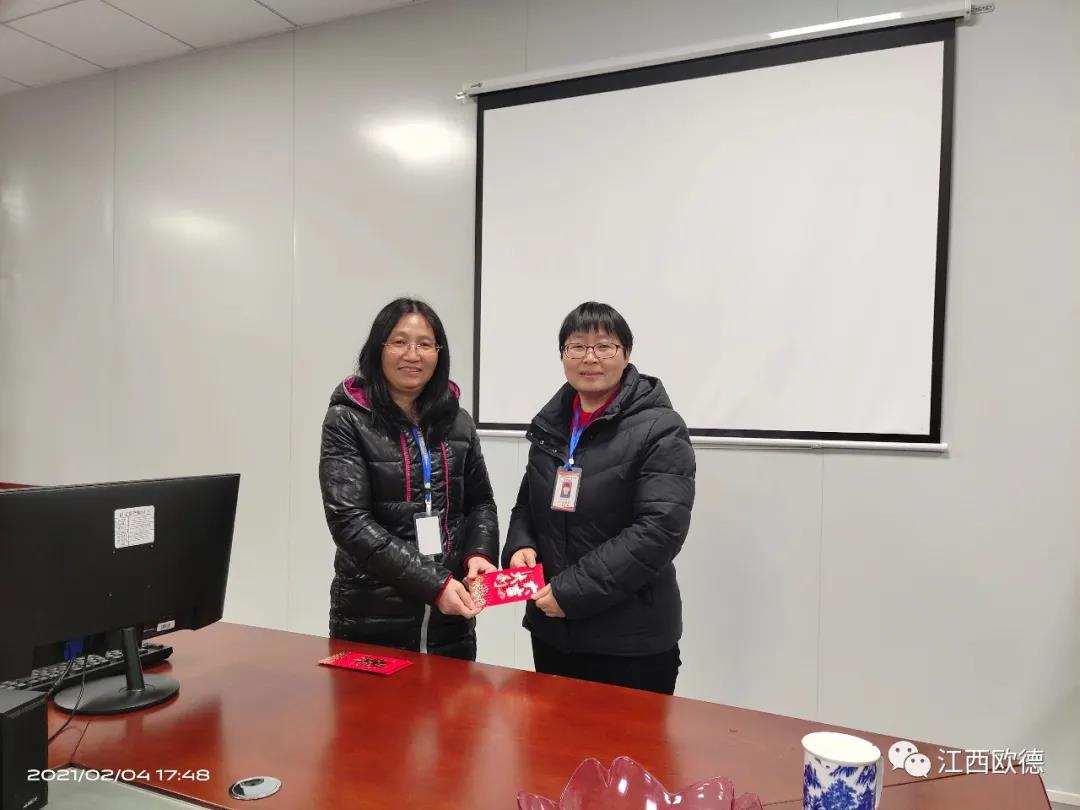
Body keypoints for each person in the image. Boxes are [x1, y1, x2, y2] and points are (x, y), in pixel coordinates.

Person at [502, 301, 695, 694]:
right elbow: (528, 502)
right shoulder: (551, 425)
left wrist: (571, 593)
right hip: (553, 631)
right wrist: (521, 545)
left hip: (629, 642)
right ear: (562, 355)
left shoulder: (660, 428)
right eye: (576, 347)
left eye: (604, 347)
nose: (589, 358)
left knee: (627, 738)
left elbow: (659, 530)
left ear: (626, 354)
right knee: (552, 733)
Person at [320, 298, 498, 660]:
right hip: (373, 613)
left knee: (452, 697)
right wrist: (434, 583)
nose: (413, 354)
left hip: (452, 616)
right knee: (374, 701)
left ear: (439, 353)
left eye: (425, 344)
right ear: (378, 348)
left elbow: (480, 502)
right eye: (399, 342)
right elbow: (350, 523)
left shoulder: (458, 420)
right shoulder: (347, 420)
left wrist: (479, 554)